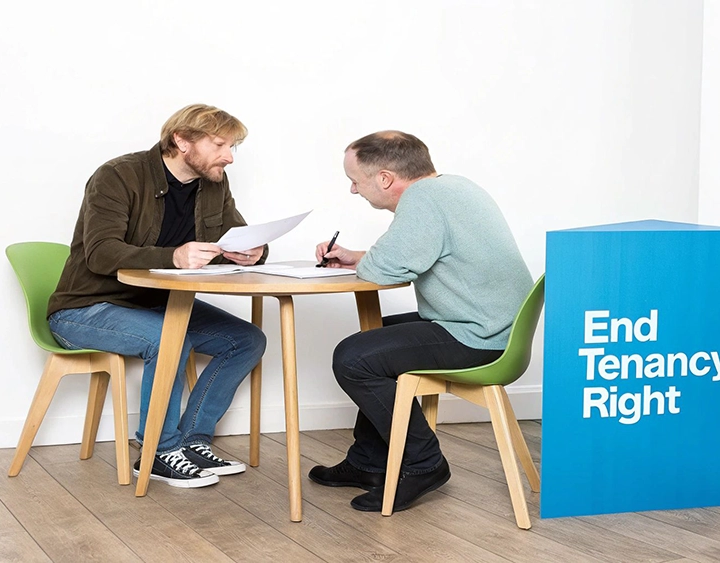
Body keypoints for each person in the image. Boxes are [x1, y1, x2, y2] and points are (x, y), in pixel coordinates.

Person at [308, 131, 533, 512]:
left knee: (354, 357)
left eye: (356, 180)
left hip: (479, 336)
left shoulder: (423, 200)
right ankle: (369, 462)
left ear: (383, 178)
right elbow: (417, 252)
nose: (352, 190)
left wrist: (365, 260)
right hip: (494, 326)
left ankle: (424, 463)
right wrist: (354, 255)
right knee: (377, 342)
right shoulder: (452, 188)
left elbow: (384, 267)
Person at [47, 104, 267, 489]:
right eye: (219, 145)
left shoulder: (214, 183)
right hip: (86, 307)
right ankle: (158, 452)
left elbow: (238, 235)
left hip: (158, 305)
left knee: (247, 340)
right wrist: (174, 256)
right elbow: (101, 252)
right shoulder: (118, 175)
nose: (229, 157)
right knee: (170, 337)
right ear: (182, 140)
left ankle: (192, 442)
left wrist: (255, 251)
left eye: (233, 147)